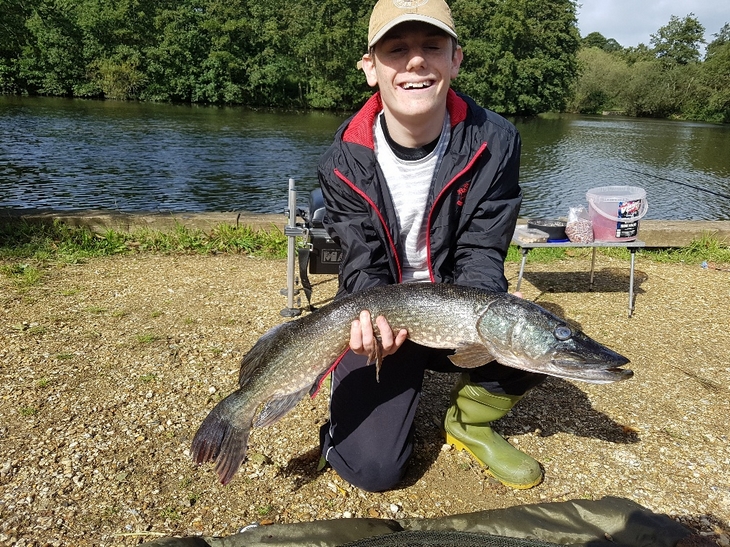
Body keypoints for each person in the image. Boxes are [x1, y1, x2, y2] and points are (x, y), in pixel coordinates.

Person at [316, 0, 545, 492]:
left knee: (540, 331)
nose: (415, 62)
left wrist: (493, 310)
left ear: (455, 59)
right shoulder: (341, 159)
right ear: (370, 68)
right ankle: (343, 428)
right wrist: (371, 328)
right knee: (374, 471)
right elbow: (362, 265)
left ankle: (469, 424)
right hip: (383, 318)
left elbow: (483, 248)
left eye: (432, 46)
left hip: (456, 308)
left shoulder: (496, 139)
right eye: (396, 49)